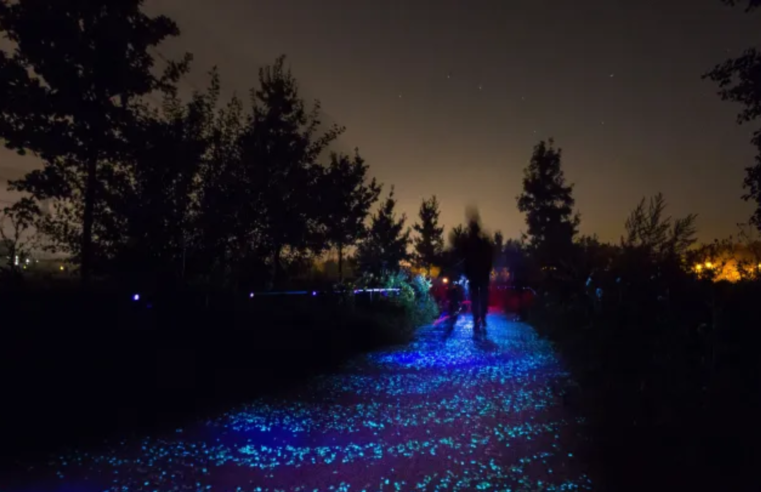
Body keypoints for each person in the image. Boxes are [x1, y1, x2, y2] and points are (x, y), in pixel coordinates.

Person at [463, 218, 494, 333]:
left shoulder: (472, 244)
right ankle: (481, 318)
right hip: (480, 275)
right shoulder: (481, 243)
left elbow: (466, 259)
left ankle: (478, 318)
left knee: (477, 298)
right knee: (480, 297)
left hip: (476, 275)